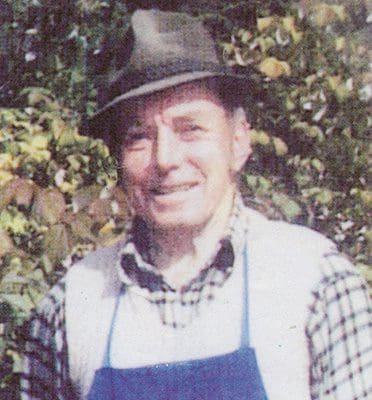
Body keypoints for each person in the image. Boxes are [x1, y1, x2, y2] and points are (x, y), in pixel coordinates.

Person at [20, 9, 371, 400]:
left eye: (191, 129)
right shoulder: (69, 307)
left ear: (238, 142)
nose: (165, 159)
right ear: (118, 159)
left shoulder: (315, 281)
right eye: (139, 137)